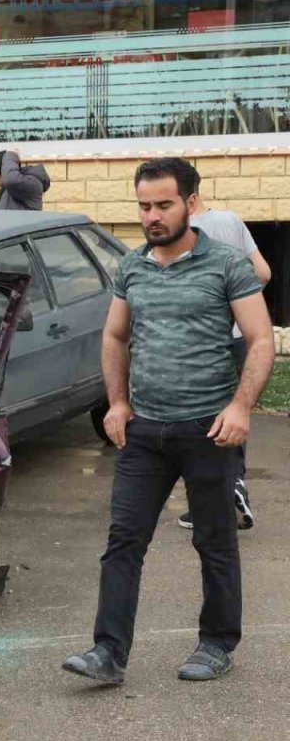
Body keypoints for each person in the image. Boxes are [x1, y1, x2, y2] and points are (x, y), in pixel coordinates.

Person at [62, 157, 273, 686]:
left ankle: (217, 643)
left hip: (209, 429)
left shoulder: (226, 264)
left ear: (191, 203)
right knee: (123, 540)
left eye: (163, 204)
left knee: (214, 540)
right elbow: (114, 336)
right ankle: (108, 653)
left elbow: (261, 338)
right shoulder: (131, 267)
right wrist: (116, 403)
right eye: (144, 206)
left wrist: (241, 407)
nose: (152, 216)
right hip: (146, 433)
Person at [176, 189, 273, 531]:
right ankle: (235, 481)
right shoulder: (230, 221)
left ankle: (208, 500)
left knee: (198, 419)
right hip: (235, 337)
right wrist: (237, 304)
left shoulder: (178, 229)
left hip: (196, 344)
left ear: (185, 197)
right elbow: (262, 272)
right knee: (234, 413)